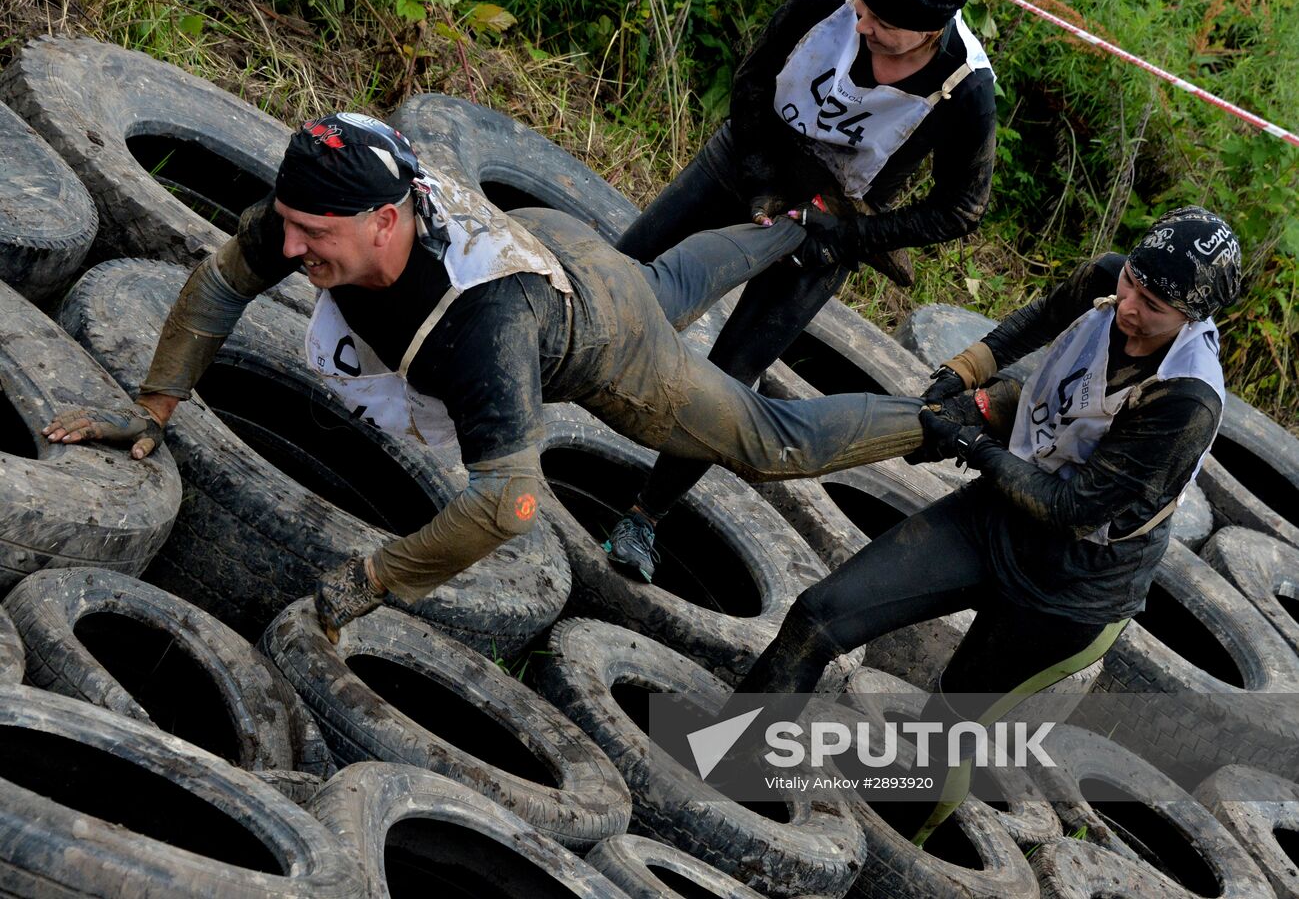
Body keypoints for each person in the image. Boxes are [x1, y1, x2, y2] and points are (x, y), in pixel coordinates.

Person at [43, 112, 925, 643]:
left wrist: (372, 580)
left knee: (768, 443)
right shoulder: (317, 202)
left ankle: (947, 415)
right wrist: (153, 407)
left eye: (316, 234)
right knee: (661, 283)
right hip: (555, 247)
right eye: (289, 225)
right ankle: (804, 222)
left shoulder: (482, 333)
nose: (294, 246)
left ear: (386, 220)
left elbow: (512, 506)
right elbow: (220, 281)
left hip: (599, 339)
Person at [719, 206, 1242, 845]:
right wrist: (963, 374)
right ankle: (723, 786)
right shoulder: (1110, 281)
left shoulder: (1186, 400)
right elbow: (1035, 322)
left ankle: (895, 870)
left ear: (1192, 317)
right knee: (817, 616)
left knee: (944, 725)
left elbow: (1072, 510)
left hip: (1071, 590)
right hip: (996, 520)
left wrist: (971, 441)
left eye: (1153, 303)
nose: (1129, 305)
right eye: (1131, 281)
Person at [606, 0, 997, 582]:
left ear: (930, 31)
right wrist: (759, 175)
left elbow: (960, 208)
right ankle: (518, 384)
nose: (863, 23)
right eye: (862, 8)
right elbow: (754, 75)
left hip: (833, 217)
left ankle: (644, 516)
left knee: (734, 371)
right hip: (747, 154)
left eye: (882, 23)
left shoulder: (964, 92)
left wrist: (845, 237)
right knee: (625, 273)